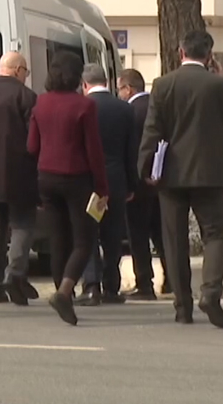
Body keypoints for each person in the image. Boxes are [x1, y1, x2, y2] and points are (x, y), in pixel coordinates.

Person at [139, 30, 223, 329]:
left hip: (171, 173)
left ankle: (182, 306)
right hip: (209, 172)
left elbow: (152, 128)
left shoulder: (163, 85)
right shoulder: (220, 85)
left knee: (174, 239)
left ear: (181, 52)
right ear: (210, 55)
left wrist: (146, 168)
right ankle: (210, 292)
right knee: (214, 233)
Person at [28, 51, 108, 326]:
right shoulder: (84, 106)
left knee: (58, 238)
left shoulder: (41, 103)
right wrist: (102, 187)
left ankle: (63, 292)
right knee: (84, 240)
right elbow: (94, 151)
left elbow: (31, 146)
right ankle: (64, 292)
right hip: (77, 178)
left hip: (46, 177)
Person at [0, 52, 41, 305]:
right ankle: (13, 274)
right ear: (17, 70)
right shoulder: (26, 97)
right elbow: (34, 139)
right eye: (26, 71)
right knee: (23, 224)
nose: (26, 76)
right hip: (19, 173)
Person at [79, 63, 139, 306]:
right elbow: (131, 151)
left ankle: (91, 285)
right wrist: (131, 184)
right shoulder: (124, 109)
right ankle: (111, 286)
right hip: (116, 179)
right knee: (112, 235)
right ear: (106, 82)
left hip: (88, 181)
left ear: (84, 84)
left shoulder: (82, 106)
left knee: (88, 233)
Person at [117, 68, 169, 299]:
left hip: (138, 183)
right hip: (161, 181)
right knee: (161, 234)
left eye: (120, 89)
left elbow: (129, 150)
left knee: (138, 236)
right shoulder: (159, 108)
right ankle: (172, 279)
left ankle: (145, 283)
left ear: (128, 89)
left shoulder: (129, 112)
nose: (119, 94)